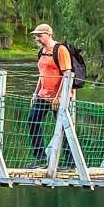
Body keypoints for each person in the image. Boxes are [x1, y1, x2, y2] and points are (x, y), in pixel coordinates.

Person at [26, 23, 74, 165]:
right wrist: (35, 93)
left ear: (49, 34)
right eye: (36, 36)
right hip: (43, 96)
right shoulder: (41, 52)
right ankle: (40, 158)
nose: (37, 39)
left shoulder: (60, 50)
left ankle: (70, 162)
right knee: (32, 120)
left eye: (40, 36)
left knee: (64, 127)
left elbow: (67, 74)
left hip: (60, 97)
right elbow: (42, 75)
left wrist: (58, 97)